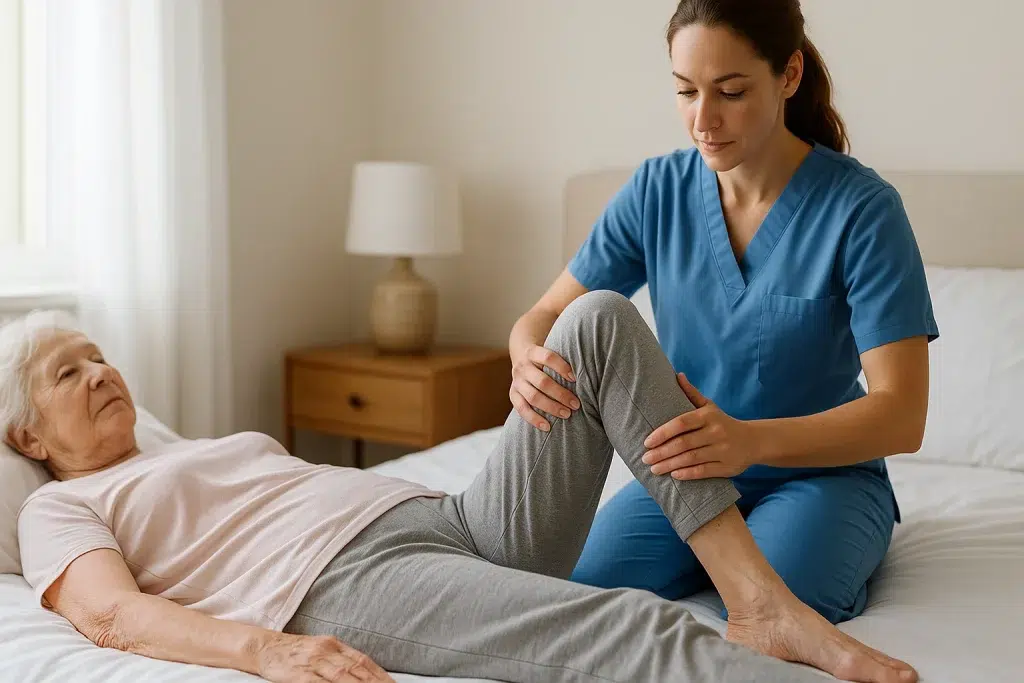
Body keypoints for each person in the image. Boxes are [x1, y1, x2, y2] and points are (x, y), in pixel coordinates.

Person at [3, 303, 917, 683]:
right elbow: (113, 619)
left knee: (592, 317)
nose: (97, 372)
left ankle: (760, 600)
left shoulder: (184, 447)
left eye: (98, 355)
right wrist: (269, 651)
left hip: (450, 516)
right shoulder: (55, 506)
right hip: (347, 579)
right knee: (630, 624)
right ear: (27, 437)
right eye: (65, 373)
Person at [509, 0, 938, 627]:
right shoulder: (657, 191)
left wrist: (750, 441)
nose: (702, 120)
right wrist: (526, 356)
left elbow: (903, 415)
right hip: (685, 477)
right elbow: (547, 313)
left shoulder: (862, 209)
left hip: (820, 477)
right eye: (686, 91)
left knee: (785, 601)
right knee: (573, 595)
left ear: (788, 75)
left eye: (730, 92)